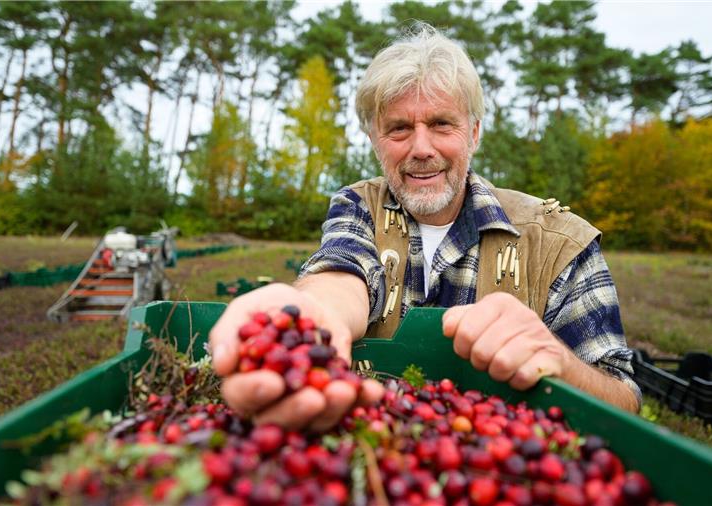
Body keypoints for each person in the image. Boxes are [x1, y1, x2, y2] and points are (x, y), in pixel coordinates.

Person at [210, 24, 641, 430]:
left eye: (440, 124)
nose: (420, 148)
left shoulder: (559, 241)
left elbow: (624, 399)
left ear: (473, 133)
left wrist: (560, 364)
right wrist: (317, 315)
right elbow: (343, 272)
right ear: (375, 140)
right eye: (398, 128)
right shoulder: (358, 206)